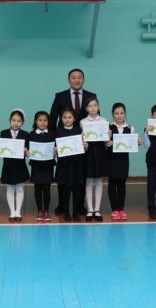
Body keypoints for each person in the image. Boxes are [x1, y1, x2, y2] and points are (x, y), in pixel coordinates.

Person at [49, 68, 96, 215]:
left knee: (80, 174)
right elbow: (52, 119)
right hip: (63, 141)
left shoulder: (91, 96)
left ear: (83, 79)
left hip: (83, 142)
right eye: (73, 77)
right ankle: (62, 205)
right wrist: (54, 142)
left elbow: (95, 119)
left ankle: (79, 205)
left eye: (79, 77)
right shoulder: (60, 96)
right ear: (69, 80)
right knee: (63, 175)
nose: (77, 80)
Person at [107, 102, 141, 221]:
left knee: (122, 185)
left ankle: (121, 209)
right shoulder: (108, 128)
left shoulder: (130, 128)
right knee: (112, 184)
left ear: (125, 114)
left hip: (123, 161)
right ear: (113, 114)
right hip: (111, 160)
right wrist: (107, 142)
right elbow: (104, 144)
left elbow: (132, 144)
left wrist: (137, 142)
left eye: (121, 113)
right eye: (117, 113)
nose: (119, 115)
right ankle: (114, 209)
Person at [80, 96, 109, 222]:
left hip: (100, 152)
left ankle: (97, 210)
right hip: (88, 153)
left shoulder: (104, 120)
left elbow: (106, 141)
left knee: (99, 181)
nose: (93, 108)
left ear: (98, 107)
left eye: (95, 105)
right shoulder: (82, 122)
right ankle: (90, 209)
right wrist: (82, 141)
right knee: (88, 180)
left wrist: (108, 138)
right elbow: (81, 140)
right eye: (90, 106)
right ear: (86, 108)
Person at [55, 108, 86, 222]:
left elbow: (83, 146)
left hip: (77, 164)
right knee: (65, 190)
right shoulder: (58, 131)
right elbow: (55, 147)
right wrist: (55, 149)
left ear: (74, 118)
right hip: (64, 165)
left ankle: (76, 212)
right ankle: (66, 212)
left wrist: (85, 146)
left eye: (70, 117)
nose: (67, 120)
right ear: (61, 119)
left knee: (77, 190)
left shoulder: (79, 130)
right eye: (64, 117)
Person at [0, 109, 30, 222]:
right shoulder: (3, 133)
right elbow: (2, 149)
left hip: (20, 166)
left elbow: (28, 151)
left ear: (22, 122)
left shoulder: (25, 134)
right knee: (10, 189)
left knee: (20, 189)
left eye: (19, 121)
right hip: (8, 166)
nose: (16, 123)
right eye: (14, 120)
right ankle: (12, 212)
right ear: (9, 120)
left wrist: (26, 151)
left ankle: (18, 212)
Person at [28, 111, 56, 221]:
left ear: (48, 122)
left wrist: (55, 151)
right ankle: (39, 210)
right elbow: (27, 148)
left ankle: (46, 210)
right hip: (36, 166)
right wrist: (28, 152)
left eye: (45, 120)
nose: (43, 122)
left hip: (48, 165)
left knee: (47, 188)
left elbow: (56, 147)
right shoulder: (31, 134)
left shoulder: (52, 134)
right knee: (38, 188)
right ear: (36, 121)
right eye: (40, 120)